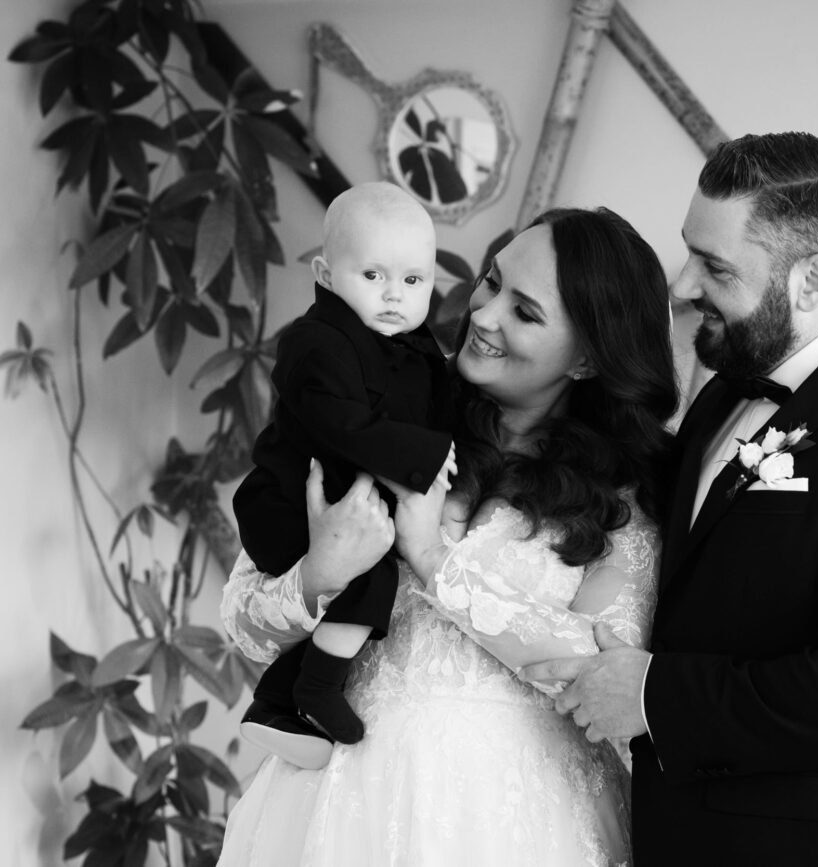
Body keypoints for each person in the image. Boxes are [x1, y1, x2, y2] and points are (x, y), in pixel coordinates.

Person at [521, 132, 818, 867]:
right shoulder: (726, 389)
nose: (682, 286)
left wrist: (657, 695)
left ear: (811, 281)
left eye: (714, 266)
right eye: (690, 252)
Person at [218, 206, 677, 866]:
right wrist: (319, 571)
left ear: (584, 359)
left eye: (525, 311)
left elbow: (600, 667)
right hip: (331, 808)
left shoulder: (621, 498)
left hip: (511, 825)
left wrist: (434, 559)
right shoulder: (375, 413)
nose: (484, 316)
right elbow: (238, 620)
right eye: (491, 283)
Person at [231, 181, 455, 768]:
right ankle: (317, 688)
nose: (393, 296)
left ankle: (276, 702)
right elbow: (344, 426)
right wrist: (425, 456)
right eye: (373, 276)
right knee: (371, 578)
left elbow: (431, 408)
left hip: (343, 509)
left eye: (413, 281)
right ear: (326, 275)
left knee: (365, 576)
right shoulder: (317, 341)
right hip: (286, 507)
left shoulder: (415, 348)